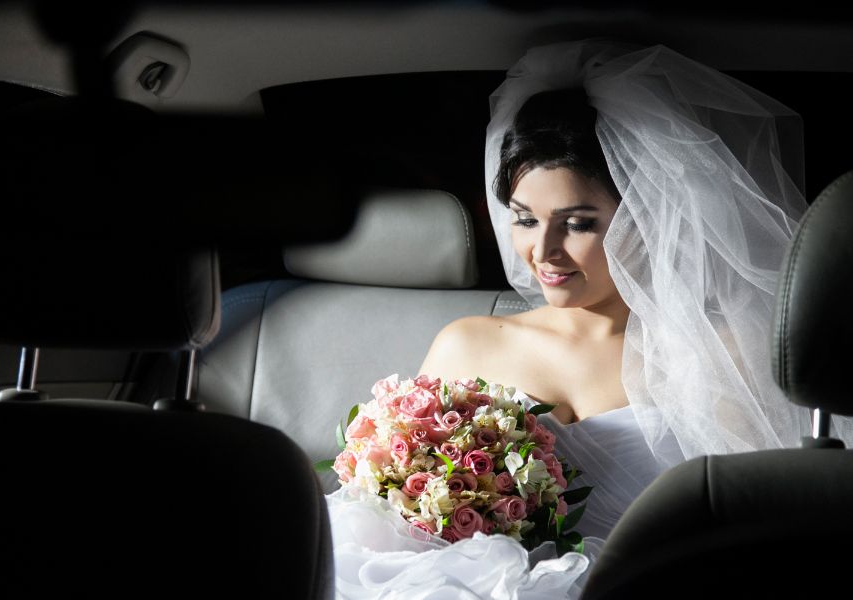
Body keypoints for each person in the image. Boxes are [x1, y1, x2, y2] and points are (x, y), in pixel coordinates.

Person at [328, 38, 816, 599]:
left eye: (578, 223)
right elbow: (391, 519)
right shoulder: (467, 345)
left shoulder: (725, 353)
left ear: (648, 217)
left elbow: (762, 535)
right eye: (525, 220)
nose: (544, 251)